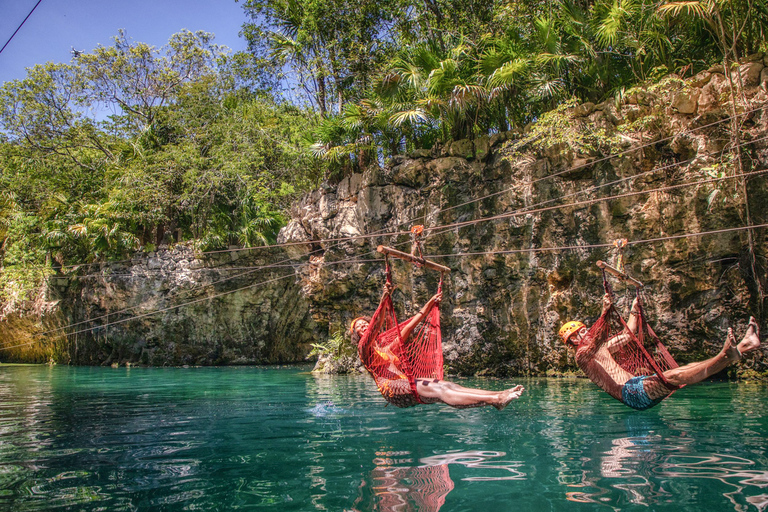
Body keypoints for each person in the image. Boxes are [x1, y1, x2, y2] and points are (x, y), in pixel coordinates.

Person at [559, 293, 762, 410]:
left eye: (584, 329)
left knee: (686, 368)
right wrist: (605, 312)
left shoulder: (601, 347)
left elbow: (628, 335)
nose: (584, 333)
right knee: (673, 375)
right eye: (578, 334)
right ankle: (727, 355)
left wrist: (634, 309)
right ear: (573, 342)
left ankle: (745, 346)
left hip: (638, 385)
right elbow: (598, 338)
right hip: (631, 394)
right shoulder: (582, 356)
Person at [352, 283, 524, 410]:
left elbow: (409, 326)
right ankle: (496, 400)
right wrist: (384, 299)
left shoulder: (387, 349)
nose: (363, 327)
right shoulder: (363, 349)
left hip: (406, 385)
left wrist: (429, 304)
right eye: (358, 327)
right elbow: (375, 325)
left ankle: (497, 396)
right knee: (440, 390)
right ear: (357, 334)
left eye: (363, 323)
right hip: (393, 390)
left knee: (448, 386)